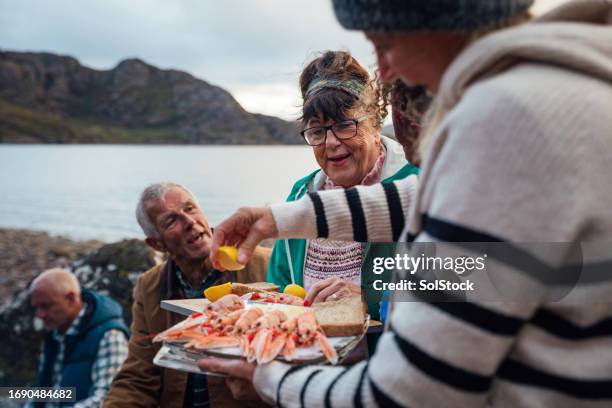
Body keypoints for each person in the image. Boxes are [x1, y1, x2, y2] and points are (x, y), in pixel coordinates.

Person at [200, 0, 612, 407]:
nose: (387, 70)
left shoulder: (501, 117)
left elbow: (413, 392)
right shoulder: (560, 91)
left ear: (444, 21)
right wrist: (279, 219)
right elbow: (448, 201)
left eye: (386, 43)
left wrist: (271, 377)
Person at [267, 50, 419, 324]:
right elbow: (278, 287)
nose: (331, 142)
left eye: (344, 125)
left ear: (374, 123)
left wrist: (367, 298)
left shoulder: (417, 184)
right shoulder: (301, 195)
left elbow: (465, 284)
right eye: (317, 131)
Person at [103, 182, 271, 408]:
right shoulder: (148, 286)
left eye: (190, 208)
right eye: (171, 220)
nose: (189, 222)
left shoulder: (266, 264)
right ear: (157, 243)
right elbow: (138, 376)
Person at [29, 268, 128, 408]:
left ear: (71, 299)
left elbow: (108, 398)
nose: (40, 315)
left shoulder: (109, 336)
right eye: (36, 307)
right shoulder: (54, 334)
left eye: (46, 306)